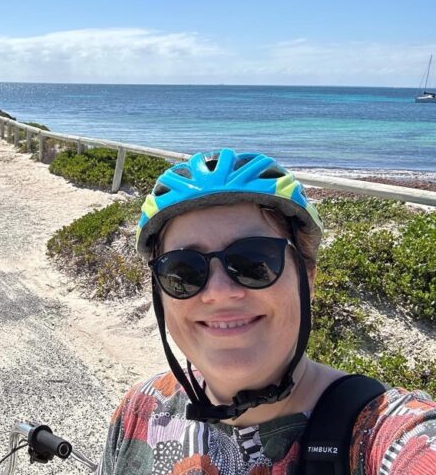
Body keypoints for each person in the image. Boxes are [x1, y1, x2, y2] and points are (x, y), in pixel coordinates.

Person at [98, 149, 436, 474]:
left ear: (308, 279)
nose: (219, 293)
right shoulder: (142, 409)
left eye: (253, 262)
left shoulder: (382, 434)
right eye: (184, 271)